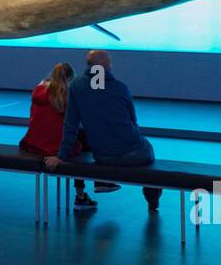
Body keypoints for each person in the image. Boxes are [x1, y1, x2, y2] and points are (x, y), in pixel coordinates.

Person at [44, 50, 162, 211]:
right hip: (134, 153)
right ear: (105, 67)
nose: (111, 67)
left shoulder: (76, 87)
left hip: (103, 156)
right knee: (149, 152)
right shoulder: (121, 88)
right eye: (109, 63)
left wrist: (61, 157)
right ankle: (152, 200)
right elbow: (134, 123)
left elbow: (70, 125)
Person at [20, 62, 120, 211]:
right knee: (87, 139)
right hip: (54, 147)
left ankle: (84, 194)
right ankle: (95, 184)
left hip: (34, 144)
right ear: (70, 78)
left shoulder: (38, 90)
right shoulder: (70, 95)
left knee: (78, 138)